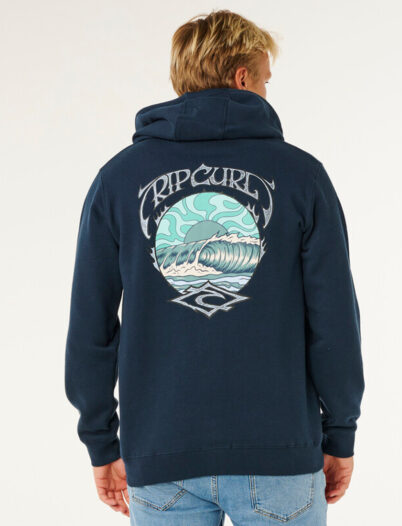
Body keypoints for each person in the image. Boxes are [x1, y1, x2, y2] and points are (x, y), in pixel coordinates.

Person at [65, 10, 364, 526]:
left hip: (160, 457)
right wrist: (340, 433)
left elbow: (90, 327)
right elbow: (334, 323)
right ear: (243, 78)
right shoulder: (302, 176)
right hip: (280, 456)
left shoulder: (117, 180)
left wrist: (101, 441)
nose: (267, 92)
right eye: (266, 79)